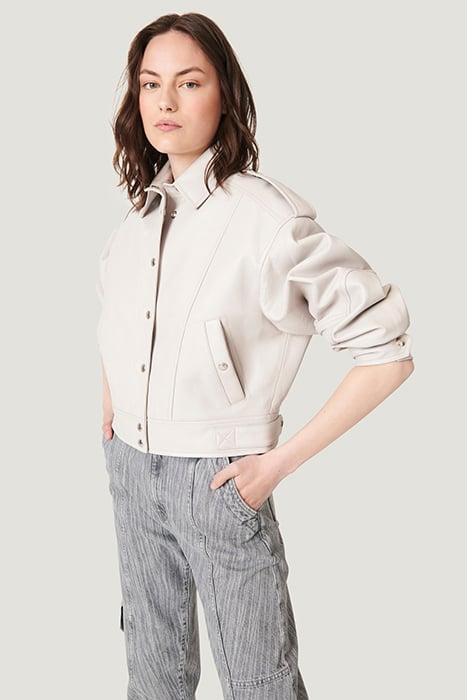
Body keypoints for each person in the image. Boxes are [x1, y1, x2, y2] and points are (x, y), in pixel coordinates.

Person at [96, 12, 415, 700]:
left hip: (220, 481)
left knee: (259, 685)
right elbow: (118, 321)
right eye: (150, 83)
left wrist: (275, 465)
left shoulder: (266, 219)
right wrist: (113, 408)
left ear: (225, 94)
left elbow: (387, 354)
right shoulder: (137, 220)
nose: (165, 101)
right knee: (151, 682)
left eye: (189, 82)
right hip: (131, 472)